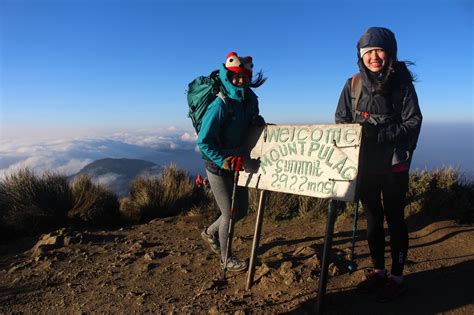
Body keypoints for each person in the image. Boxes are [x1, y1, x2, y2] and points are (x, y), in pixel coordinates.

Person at [335, 27, 422, 302]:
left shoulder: (402, 84)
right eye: (368, 51)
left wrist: (380, 134)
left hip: (394, 164)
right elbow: (341, 120)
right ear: (360, 55)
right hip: (366, 164)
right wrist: (356, 136)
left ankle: (397, 277)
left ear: (390, 52)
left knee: (395, 217)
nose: (374, 56)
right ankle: (378, 271)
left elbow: (413, 122)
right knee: (373, 217)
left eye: (379, 50)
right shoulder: (352, 84)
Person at [197, 52, 266, 272]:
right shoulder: (220, 104)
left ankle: (209, 233)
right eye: (235, 76)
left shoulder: (250, 99)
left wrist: (257, 123)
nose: (240, 80)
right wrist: (223, 160)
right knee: (230, 212)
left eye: (244, 76)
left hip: (238, 161)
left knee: (242, 210)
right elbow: (203, 142)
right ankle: (226, 259)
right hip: (217, 165)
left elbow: (248, 124)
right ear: (228, 75)